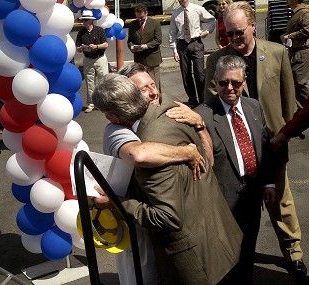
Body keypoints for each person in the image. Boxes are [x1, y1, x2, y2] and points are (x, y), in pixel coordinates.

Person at [93, 73, 242, 285]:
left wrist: (117, 202)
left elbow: (166, 218)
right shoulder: (176, 112)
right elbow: (208, 164)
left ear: (113, 117)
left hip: (195, 261)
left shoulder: (151, 154)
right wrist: (192, 142)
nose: (153, 91)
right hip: (221, 238)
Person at [204, 1, 307, 282]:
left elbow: (288, 99)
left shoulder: (275, 53)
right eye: (229, 33)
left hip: (271, 143)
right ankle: (237, 256)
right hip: (235, 147)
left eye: (239, 32)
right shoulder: (216, 61)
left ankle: (293, 253)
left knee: (280, 202)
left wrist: (285, 134)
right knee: (239, 207)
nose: (234, 39)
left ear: (253, 26)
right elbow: (209, 107)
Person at [102, 63, 207, 285]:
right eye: (142, 89)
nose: (153, 92)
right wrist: (186, 151)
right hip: (139, 228)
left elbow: (207, 162)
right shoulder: (117, 130)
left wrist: (199, 124)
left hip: (176, 227)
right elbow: (139, 155)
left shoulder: (170, 115)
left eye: (153, 84)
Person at [194, 55, 276, 284]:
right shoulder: (203, 115)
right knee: (226, 262)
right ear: (216, 81)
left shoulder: (253, 107)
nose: (229, 88)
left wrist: (268, 183)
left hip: (252, 196)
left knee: (248, 250)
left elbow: (264, 147)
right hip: (221, 201)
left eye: (236, 83)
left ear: (244, 81)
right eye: (223, 83)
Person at [169, 0, 216, 107]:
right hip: (182, 45)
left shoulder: (197, 9)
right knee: (186, 75)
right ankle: (192, 100)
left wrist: (207, 31)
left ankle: (203, 100)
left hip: (196, 43)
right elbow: (172, 32)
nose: (181, 0)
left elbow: (212, 20)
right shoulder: (176, 13)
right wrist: (174, 50)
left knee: (199, 73)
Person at [76, 9, 109, 113]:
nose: (83, 22)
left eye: (85, 20)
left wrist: (96, 46)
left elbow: (106, 44)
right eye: (83, 20)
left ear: (91, 21)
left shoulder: (99, 30)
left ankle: (105, 102)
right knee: (90, 82)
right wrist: (80, 48)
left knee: (103, 81)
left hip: (100, 58)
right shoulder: (81, 32)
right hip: (87, 59)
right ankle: (91, 104)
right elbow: (77, 47)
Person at [127, 4, 162, 92]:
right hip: (139, 60)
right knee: (142, 84)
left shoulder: (155, 23)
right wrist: (131, 46)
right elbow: (129, 40)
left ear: (146, 13)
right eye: (138, 17)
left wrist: (146, 46)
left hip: (152, 59)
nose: (140, 19)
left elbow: (158, 40)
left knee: (154, 83)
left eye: (142, 17)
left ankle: (157, 101)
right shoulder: (132, 24)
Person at [280, 0, 309, 105]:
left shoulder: (304, 12)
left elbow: (307, 30)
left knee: (301, 83)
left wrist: (289, 36)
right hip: (296, 51)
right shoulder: (296, 13)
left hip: (302, 51)